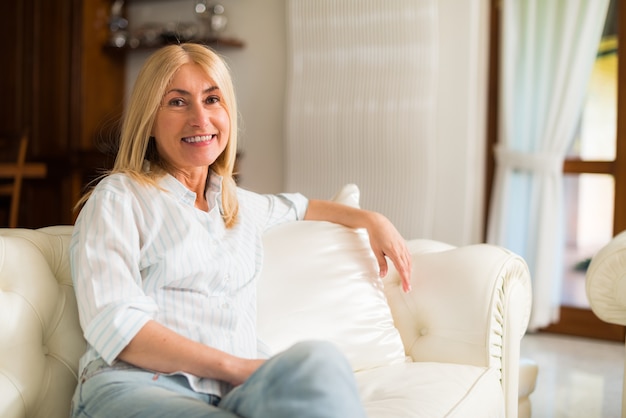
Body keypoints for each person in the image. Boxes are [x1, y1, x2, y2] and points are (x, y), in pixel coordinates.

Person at [69, 43, 412, 418]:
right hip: (138, 385)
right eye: (178, 102)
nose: (200, 119)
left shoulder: (241, 206)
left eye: (212, 99)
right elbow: (115, 324)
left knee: (322, 361)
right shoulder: (120, 197)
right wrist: (239, 368)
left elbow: (301, 206)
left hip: (237, 393)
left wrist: (371, 220)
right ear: (149, 120)